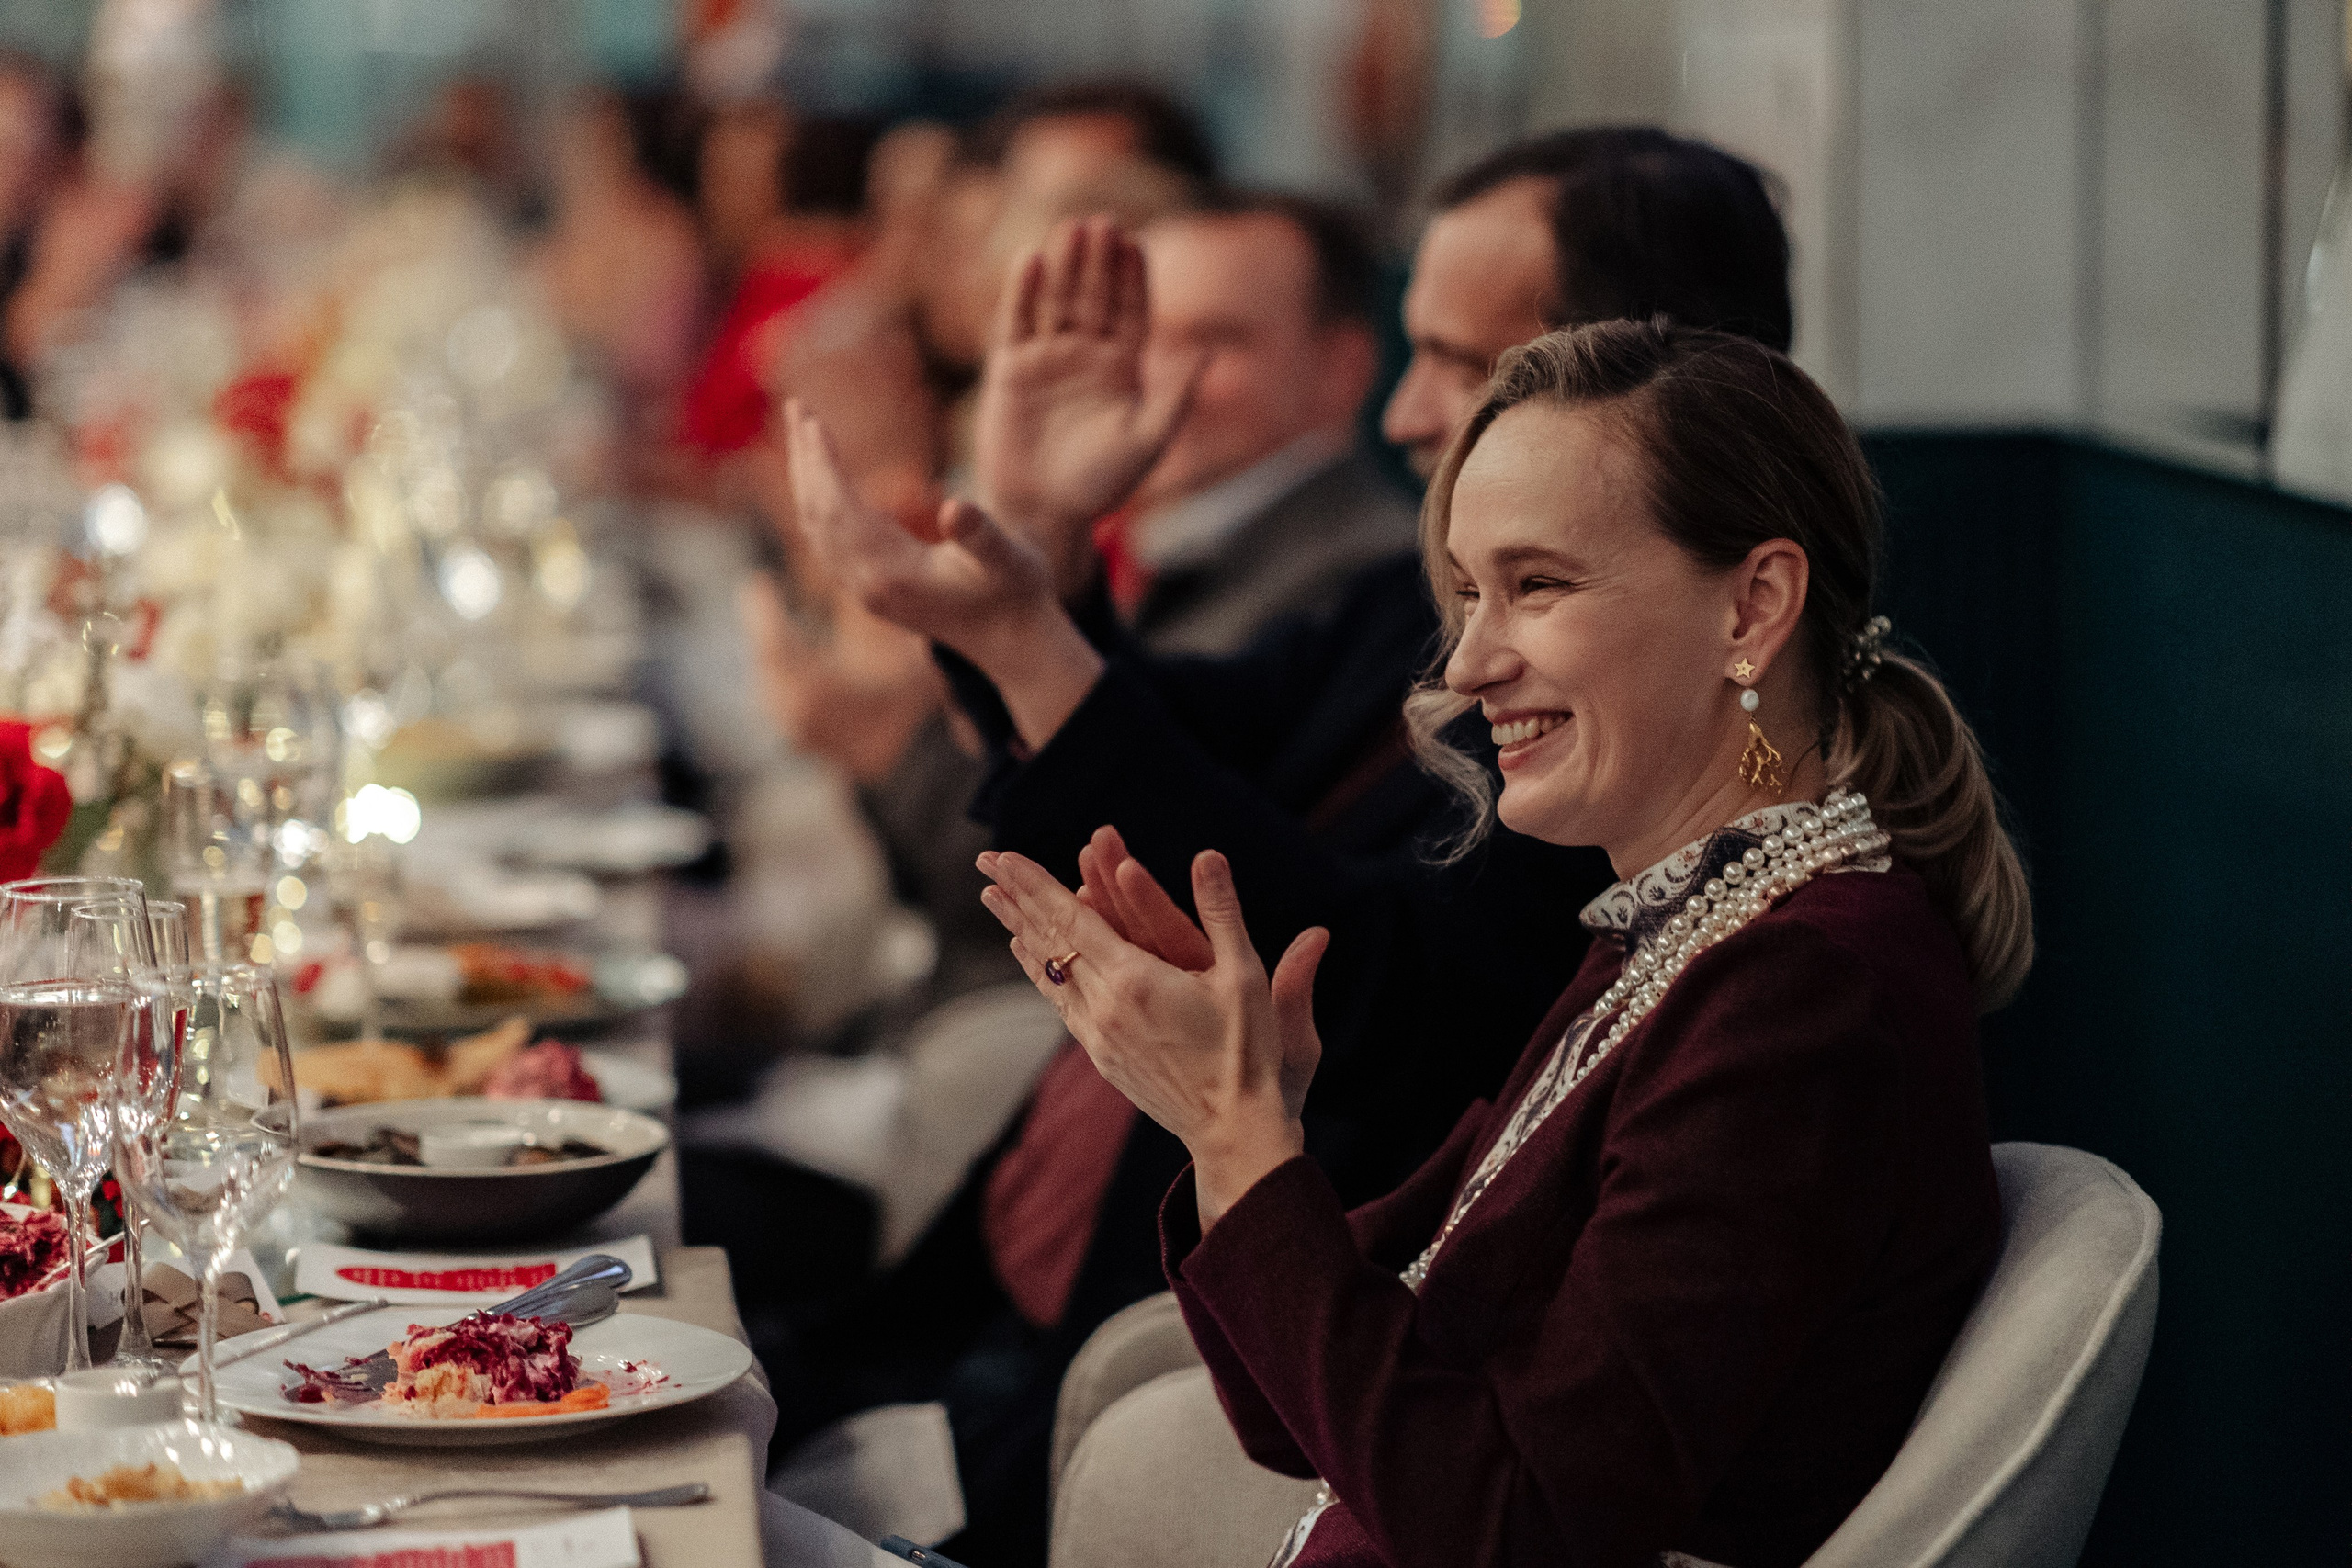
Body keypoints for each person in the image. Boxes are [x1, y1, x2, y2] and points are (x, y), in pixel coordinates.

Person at [974, 318, 2030, 1568]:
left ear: (1753, 607)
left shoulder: (1806, 994)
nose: (1469, 664)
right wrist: (1255, 1113)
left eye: (1537, 585)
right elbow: (1301, 1412)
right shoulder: (1698, 925)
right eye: (1469, 593)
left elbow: (1518, 1532)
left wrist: (1235, 1136)